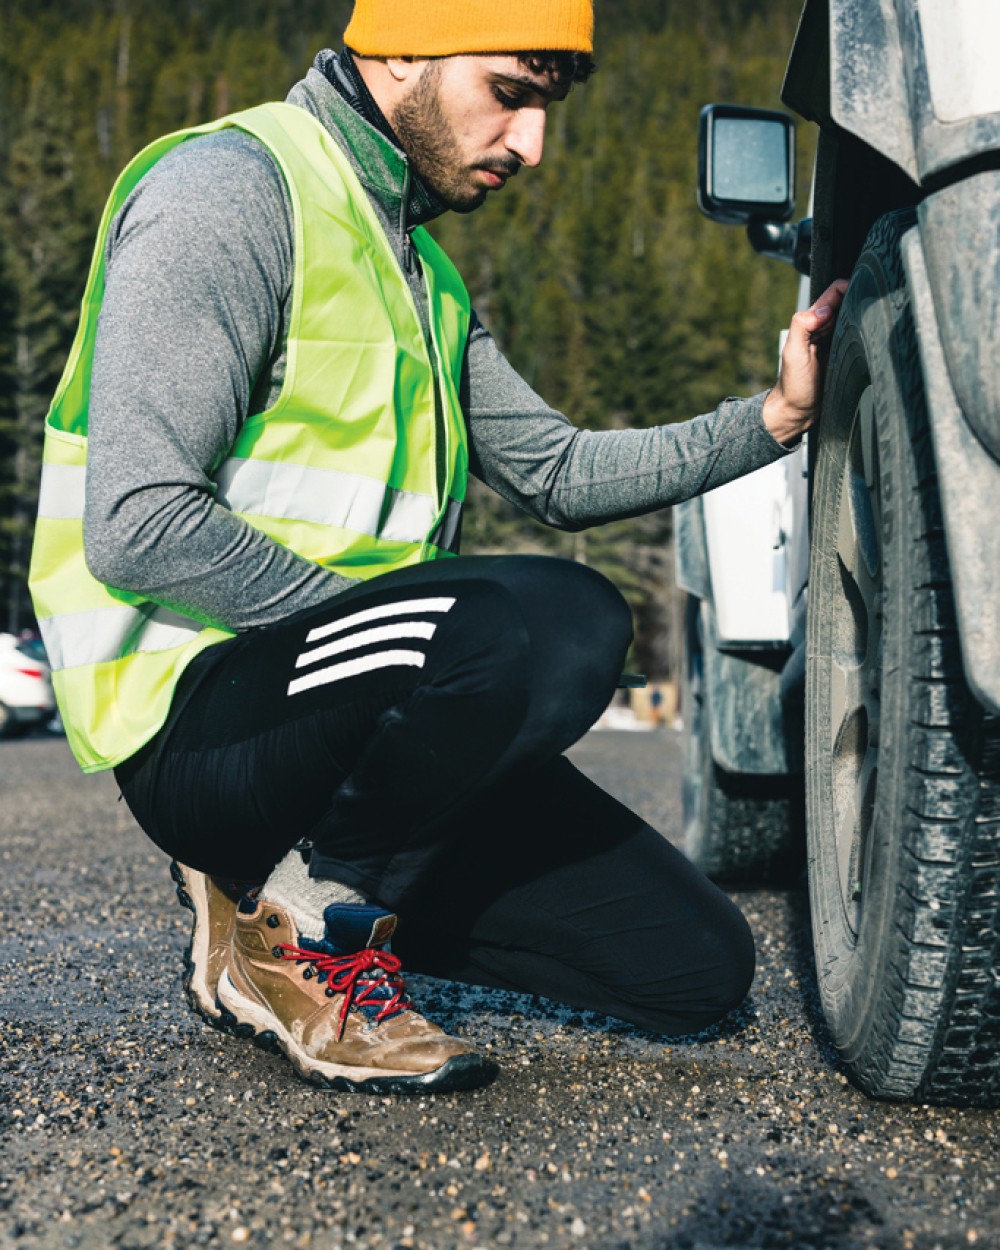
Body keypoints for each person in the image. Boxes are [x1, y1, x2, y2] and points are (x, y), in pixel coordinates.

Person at [29, 0, 847, 1094]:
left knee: (693, 967)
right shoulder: (230, 192)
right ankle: (310, 926)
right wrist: (406, 650)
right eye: (510, 93)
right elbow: (138, 523)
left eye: (547, 109)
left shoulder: (426, 279)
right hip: (206, 729)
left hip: (366, 710)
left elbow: (556, 472)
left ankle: (273, 895)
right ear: (400, 48)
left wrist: (774, 420)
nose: (531, 144)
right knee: (566, 619)